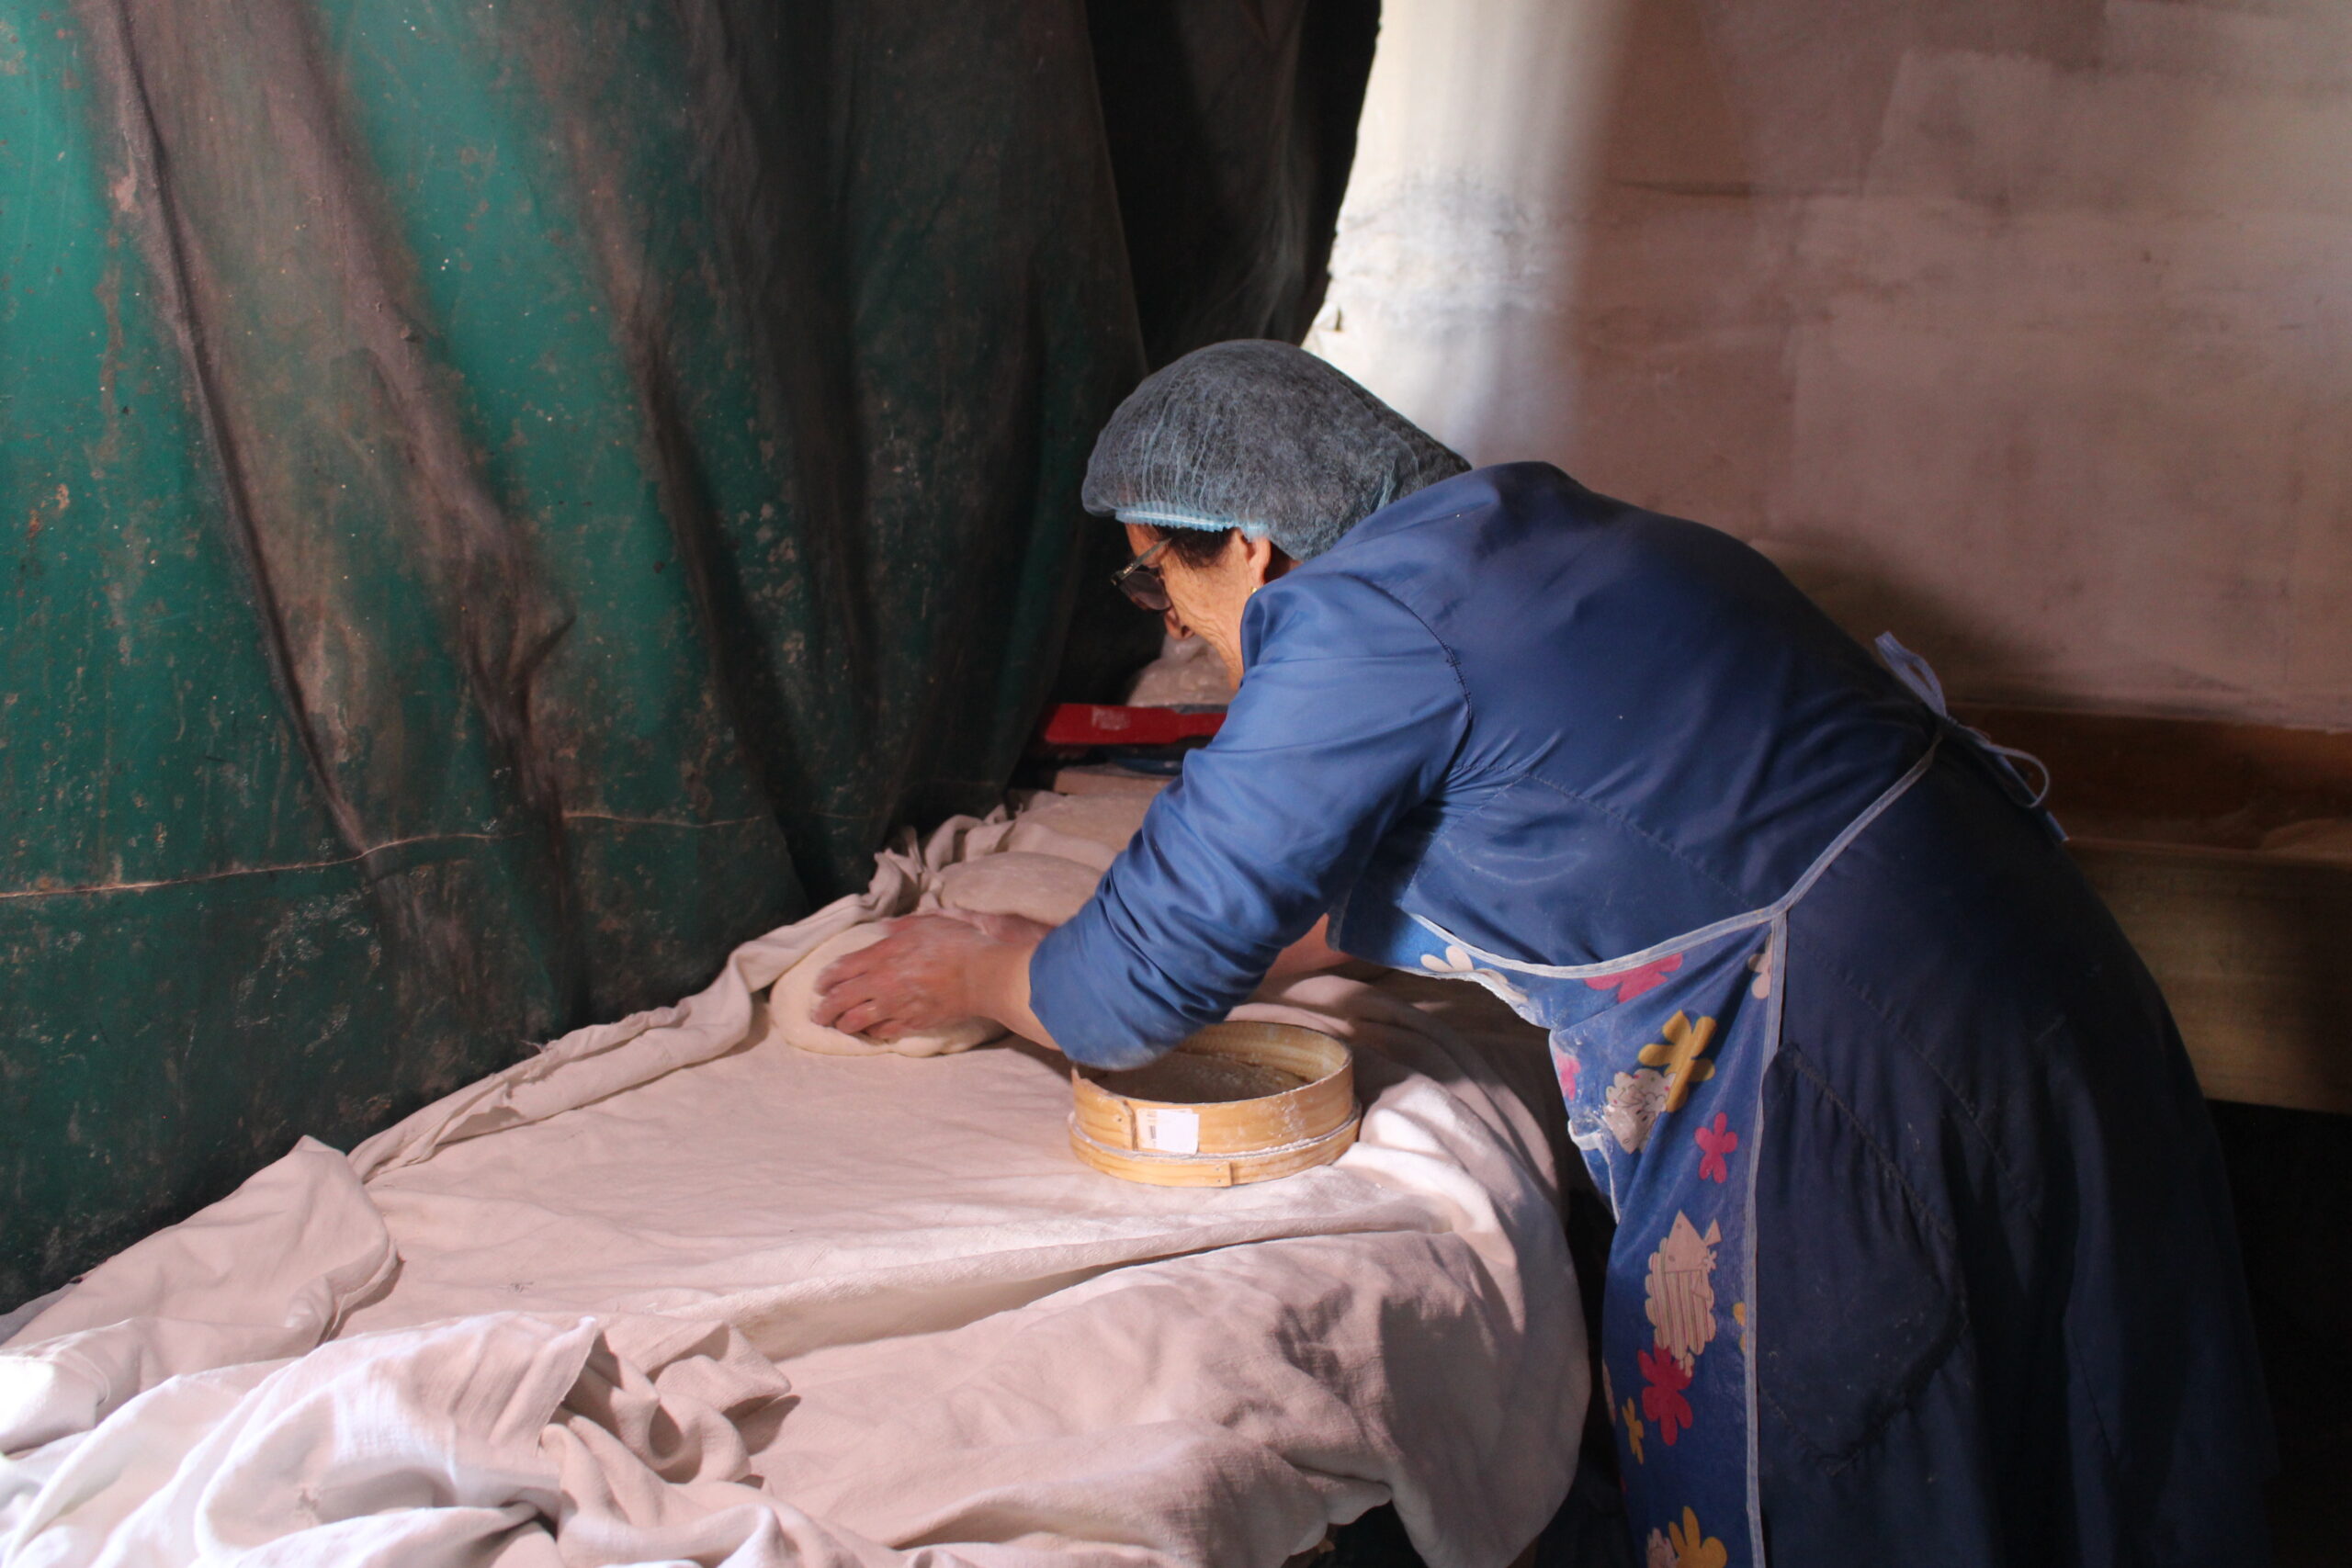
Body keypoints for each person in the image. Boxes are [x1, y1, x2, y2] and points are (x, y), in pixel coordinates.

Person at [814, 340, 2272, 1565]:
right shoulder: (1550, 533)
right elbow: (1547, 807)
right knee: (2068, 1420)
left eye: (1159, 581)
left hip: (1846, 1055)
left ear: (1249, 539)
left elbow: (1125, 997)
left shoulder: (1355, 615)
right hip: (2030, 973)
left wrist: (993, 969)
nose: (1179, 627)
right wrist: (1231, 946)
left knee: (1841, 1466)